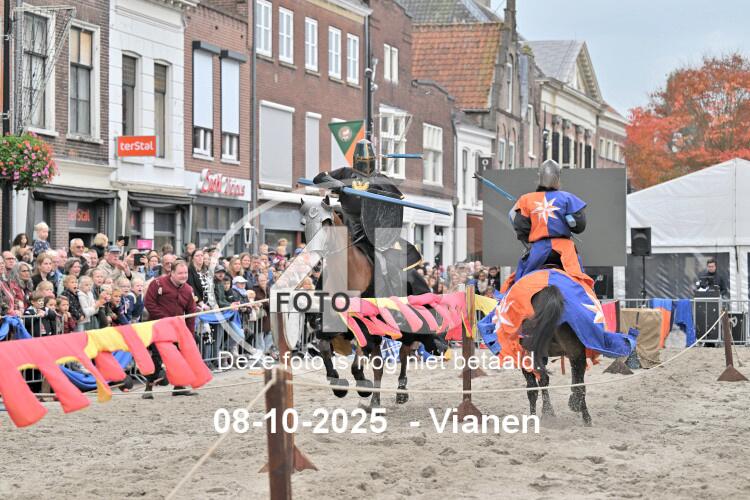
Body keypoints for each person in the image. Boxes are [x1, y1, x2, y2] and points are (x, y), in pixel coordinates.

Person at [312, 138, 429, 296]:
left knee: (394, 266)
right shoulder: (345, 174)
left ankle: (404, 297)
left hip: (375, 234)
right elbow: (319, 178)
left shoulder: (381, 180)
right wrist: (336, 184)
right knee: (331, 266)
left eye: (368, 161)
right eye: (362, 161)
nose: (365, 164)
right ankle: (318, 304)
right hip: (349, 231)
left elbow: (394, 206)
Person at [502, 159, 592, 292]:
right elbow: (579, 227)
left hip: (538, 249)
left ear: (539, 176)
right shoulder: (568, 198)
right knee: (580, 282)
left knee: (520, 282)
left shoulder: (526, 200)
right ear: (558, 177)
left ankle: (510, 301)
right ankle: (590, 301)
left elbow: (521, 229)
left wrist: (532, 239)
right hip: (565, 250)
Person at [142, 260, 198, 398]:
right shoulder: (157, 284)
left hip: (177, 330)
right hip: (157, 328)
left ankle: (179, 386)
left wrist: (189, 334)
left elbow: (191, 313)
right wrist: (167, 319)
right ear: (172, 273)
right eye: (180, 273)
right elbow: (149, 303)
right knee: (157, 357)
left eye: (185, 273)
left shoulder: (188, 290)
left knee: (181, 356)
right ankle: (148, 387)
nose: (183, 276)